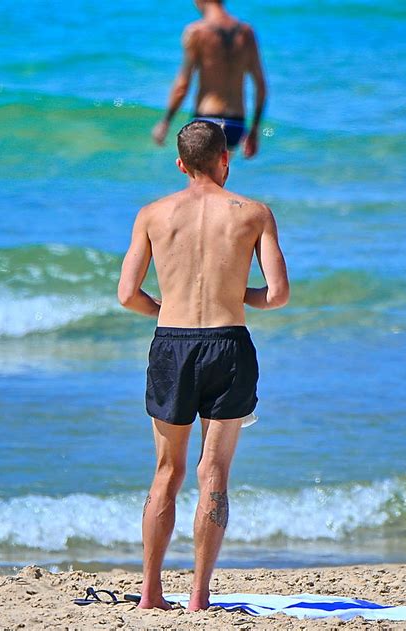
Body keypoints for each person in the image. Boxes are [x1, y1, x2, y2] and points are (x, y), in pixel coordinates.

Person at [118, 120, 288, 611]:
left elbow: (127, 294)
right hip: (228, 345)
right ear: (224, 160)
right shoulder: (253, 213)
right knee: (212, 472)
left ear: (180, 164)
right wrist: (236, 293)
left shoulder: (152, 214)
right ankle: (198, 596)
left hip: (171, 345)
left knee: (166, 472)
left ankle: (150, 594)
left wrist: (163, 311)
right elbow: (277, 295)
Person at [152, 0, 267, 158]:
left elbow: (182, 86)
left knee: (199, 181)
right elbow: (261, 86)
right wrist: (254, 130)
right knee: (219, 178)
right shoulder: (247, 32)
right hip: (236, 124)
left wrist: (166, 121)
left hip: (206, 121)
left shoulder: (196, 31)